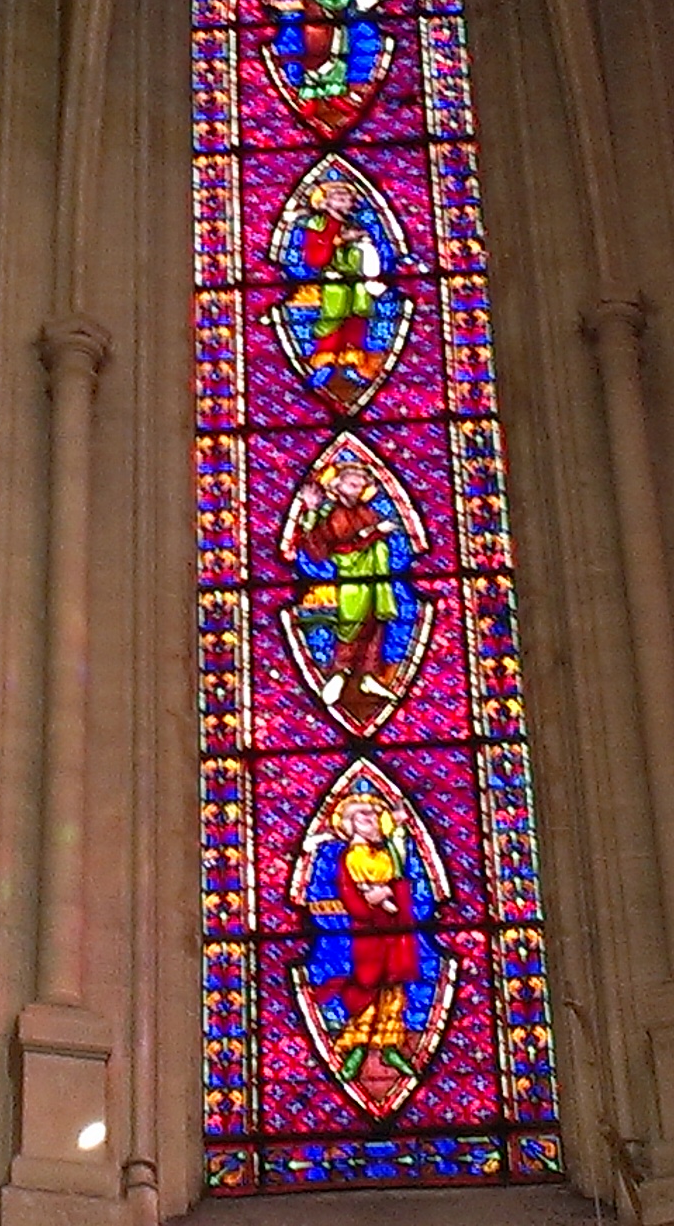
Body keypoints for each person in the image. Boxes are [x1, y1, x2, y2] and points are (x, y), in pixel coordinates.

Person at [306, 790, 427, 1088]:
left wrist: (391, 892)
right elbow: (349, 893)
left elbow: (399, 880)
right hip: (367, 931)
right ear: (349, 823)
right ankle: (356, 1047)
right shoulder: (351, 856)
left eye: (375, 815)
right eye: (365, 815)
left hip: (394, 927)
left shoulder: (385, 853)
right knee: (368, 985)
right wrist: (370, 901)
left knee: (393, 987)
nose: (373, 820)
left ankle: (390, 1045)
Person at [290, 459, 414, 724]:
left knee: (374, 623)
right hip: (350, 578)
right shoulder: (334, 515)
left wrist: (380, 534)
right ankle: (339, 673)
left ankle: (368, 676)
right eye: (352, 484)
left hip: (375, 577)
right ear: (337, 486)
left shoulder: (366, 512)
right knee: (351, 623)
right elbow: (333, 548)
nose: (358, 489)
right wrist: (374, 532)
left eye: (361, 485)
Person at [274, 174, 392, 403]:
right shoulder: (319, 223)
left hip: (356, 279)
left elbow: (369, 246)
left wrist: (361, 243)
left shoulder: (355, 224)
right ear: (325, 202)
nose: (345, 201)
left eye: (348, 198)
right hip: (331, 280)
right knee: (333, 316)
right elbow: (314, 250)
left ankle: (352, 361)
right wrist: (337, 241)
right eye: (339, 197)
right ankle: (325, 361)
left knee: (357, 317)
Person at [267, 0, 385, 130]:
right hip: (316, 28)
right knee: (316, 60)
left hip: (336, 28)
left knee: (338, 60)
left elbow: (340, 0)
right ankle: (311, 98)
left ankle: (333, 94)